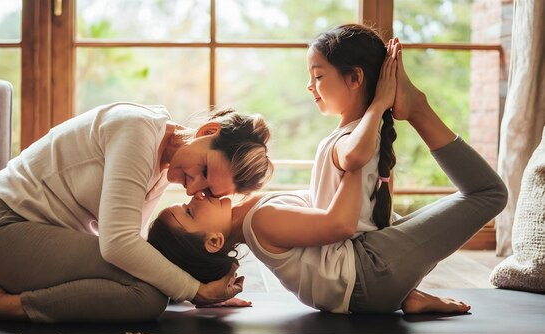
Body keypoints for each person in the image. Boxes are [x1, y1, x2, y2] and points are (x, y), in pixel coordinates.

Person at [147, 40, 508, 314]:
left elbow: (334, 211)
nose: (193, 195)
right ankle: (417, 108)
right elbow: (339, 224)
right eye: (190, 212)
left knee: (468, 200)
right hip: (370, 272)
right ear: (213, 241)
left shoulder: (255, 214)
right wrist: (372, 117)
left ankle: (405, 295)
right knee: (490, 193)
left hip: (369, 270)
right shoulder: (262, 222)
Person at [0, 103, 273, 322]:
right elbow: (118, 245)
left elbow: (131, 249)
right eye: (206, 171)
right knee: (149, 298)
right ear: (208, 132)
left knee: (148, 289)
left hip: (31, 235)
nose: (193, 188)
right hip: (0, 228)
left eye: (209, 191)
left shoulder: (159, 162)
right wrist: (196, 290)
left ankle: (5, 292)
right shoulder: (138, 132)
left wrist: (194, 287)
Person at [306, 23, 398, 233]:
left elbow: (353, 157)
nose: (309, 85)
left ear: (355, 78)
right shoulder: (357, 134)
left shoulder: (358, 137)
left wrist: (379, 103)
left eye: (318, 76)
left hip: (345, 253)